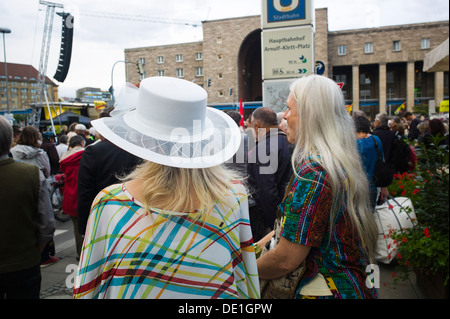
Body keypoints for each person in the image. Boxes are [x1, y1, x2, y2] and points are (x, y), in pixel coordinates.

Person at [73, 76, 259, 299]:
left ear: (142, 139)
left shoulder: (110, 202)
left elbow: (89, 286)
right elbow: (245, 276)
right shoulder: (234, 195)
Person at [256, 75, 378, 299]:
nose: (284, 116)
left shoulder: (313, 172)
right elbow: (300, 227)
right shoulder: (335, 161)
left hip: (325, 289)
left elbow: (285, 260)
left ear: (310, 115)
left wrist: (242, 270)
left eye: (289, 108)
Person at [0, 116, 55, 299]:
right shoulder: (33, 174)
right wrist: (35, 252)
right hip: (24, 263)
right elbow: (46, 224)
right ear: (10, 141)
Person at [76, 108, 142, 237]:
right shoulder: (137, 149)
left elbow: (85, 192)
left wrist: (84, 227)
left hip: (103, 217)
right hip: (134, 217)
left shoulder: (93, 152)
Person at [10, 126, 59, 266]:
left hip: (18, 187)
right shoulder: (40, 153)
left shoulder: (13, 151)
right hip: (38, 186)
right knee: (42, 217)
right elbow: (47, 171)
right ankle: (43, 254)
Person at [247, 107, 292, 242]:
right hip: (291, 215)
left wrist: (271, 224)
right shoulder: (290, 142)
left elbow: (266, 191)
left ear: (257, 126)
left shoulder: (262, 149)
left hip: (268, 222)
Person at [353, 116, 388, 210]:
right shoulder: (376, 140)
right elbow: (382, 161)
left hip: (357, 188)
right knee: (371, 216)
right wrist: (384, 187)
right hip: (374, 186)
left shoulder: (354, 144)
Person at [59, 135, 85, 258]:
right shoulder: (86, 155)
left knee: (76, 226)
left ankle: (80, 253)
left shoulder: (66, 157)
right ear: (81, 143)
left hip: (70, 194)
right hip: (84, 193)